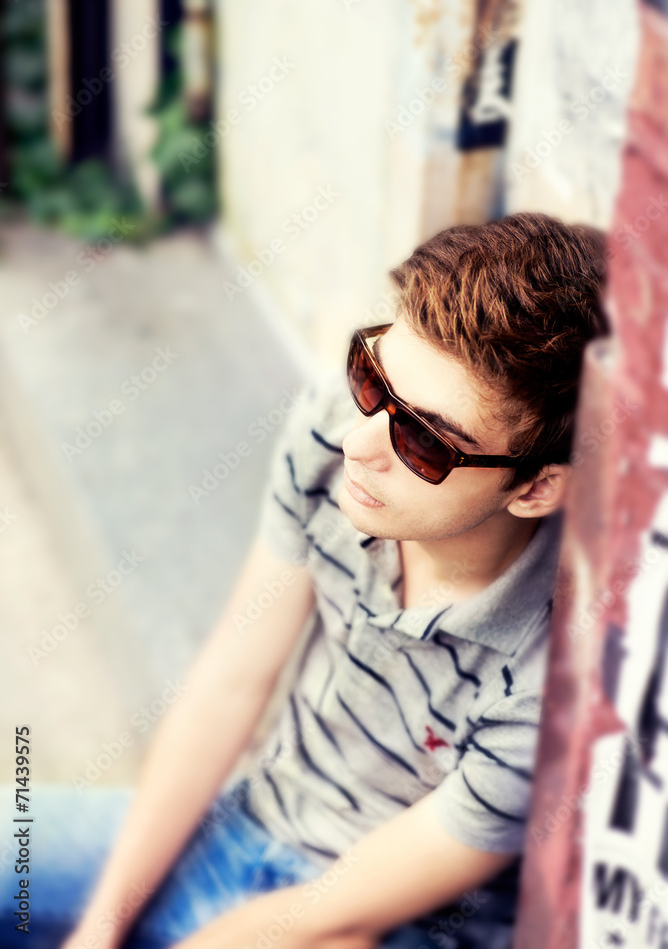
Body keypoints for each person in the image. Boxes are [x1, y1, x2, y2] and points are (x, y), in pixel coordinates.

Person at [1, 212, 606, 949]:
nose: (358, 443)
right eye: (370, 378)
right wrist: (99, 927)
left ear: (537, 488)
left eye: (423, 441)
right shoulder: (337, 432)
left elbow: (337, 914)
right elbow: (232, 680)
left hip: (378, 920)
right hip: (253, 820)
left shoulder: (553, 679)